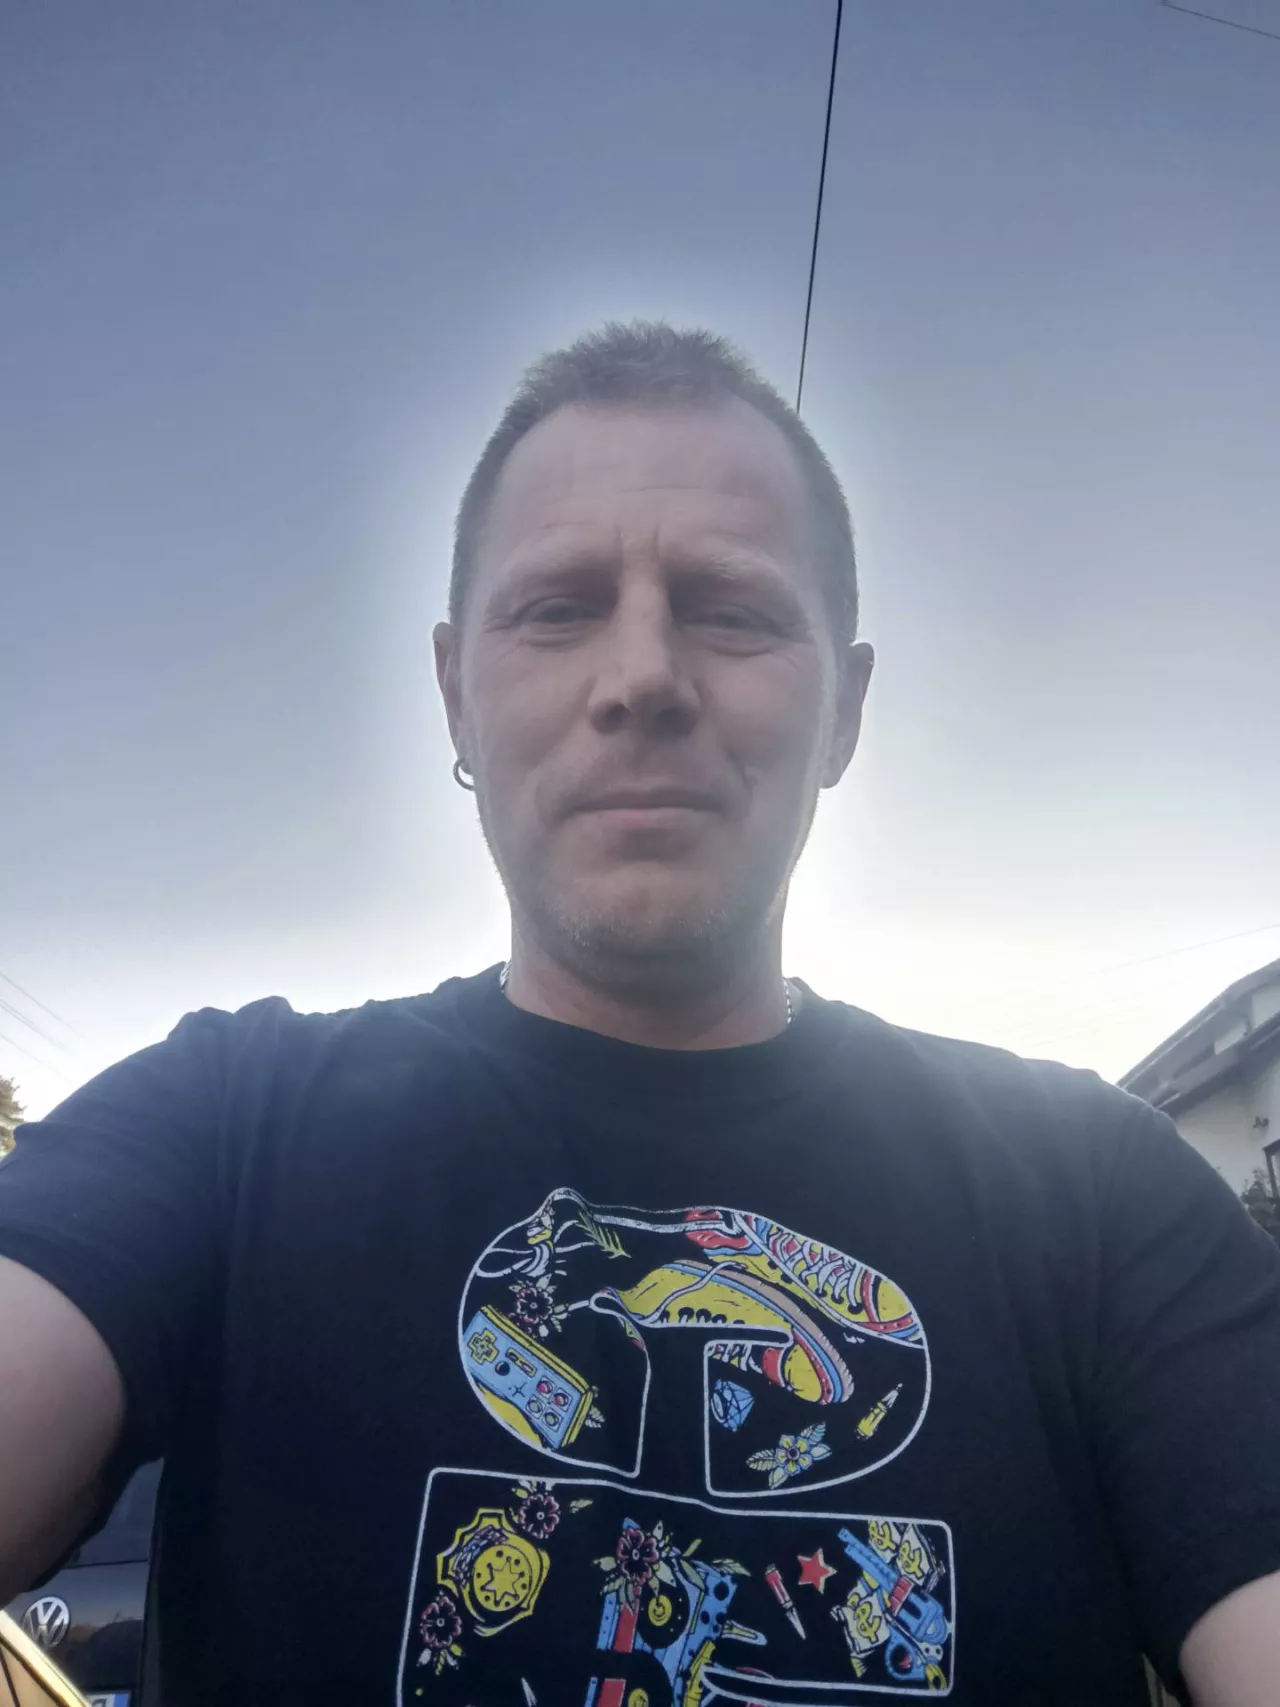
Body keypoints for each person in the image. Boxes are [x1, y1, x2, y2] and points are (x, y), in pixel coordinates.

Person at [1, 323, 1277, 1707]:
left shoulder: (1098, 1193)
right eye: (558, 609)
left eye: (732, 609)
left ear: (845, 711)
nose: (643, 678)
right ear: (455, 697)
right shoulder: (224, 1125)